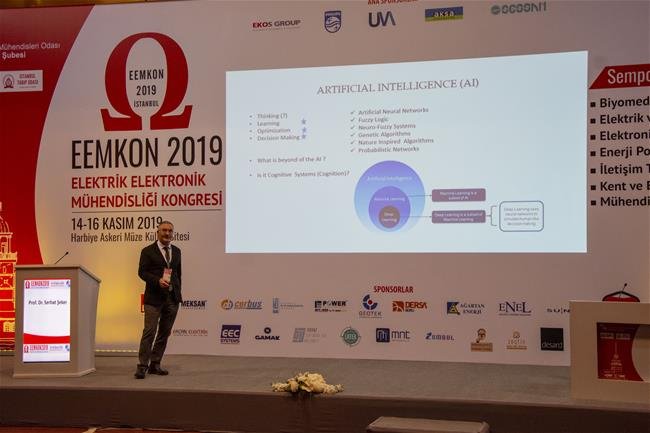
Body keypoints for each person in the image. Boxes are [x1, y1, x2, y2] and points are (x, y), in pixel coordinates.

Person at [134, 220, 182, 379]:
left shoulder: (177, 251)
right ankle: (142, 365)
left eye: (170, 231)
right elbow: (142, 272)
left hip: (172, 299)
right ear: (158, 232)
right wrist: (157, 280)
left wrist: (178, 294)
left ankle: (155, 364)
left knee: (164, 333)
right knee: (149, 332)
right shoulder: (147, 251)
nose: (167, 233)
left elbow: (178, 274)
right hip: (153, 299)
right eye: (164, 230)